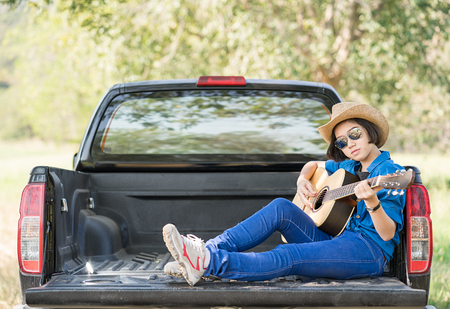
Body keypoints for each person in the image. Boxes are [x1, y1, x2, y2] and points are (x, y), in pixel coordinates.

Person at [162, 102, 406, 286]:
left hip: (368, 251)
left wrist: (372, 202)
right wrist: (302, 180)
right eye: (341, 142)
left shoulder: (389, 173)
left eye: (354, 135)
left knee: (289, 254)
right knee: (281, 207)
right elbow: (313, 165)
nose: (349, 145)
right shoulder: (349, 167)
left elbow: (387, 235)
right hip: (338, 240)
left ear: (370, 131)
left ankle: (208, 263)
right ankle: (205, 251)